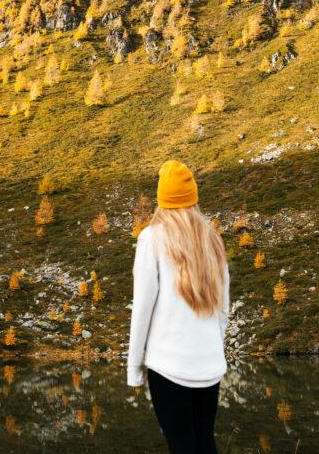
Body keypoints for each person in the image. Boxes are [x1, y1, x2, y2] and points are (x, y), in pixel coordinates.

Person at [127, 159, 230, 454]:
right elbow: (223, 308)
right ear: (192, 196)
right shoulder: (211, 238)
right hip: (209, 366)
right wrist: (213, 349)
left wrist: (134, 367)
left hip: (169, 366)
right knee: (204, 441)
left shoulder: (152, 238)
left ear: (162, 199)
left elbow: (142, 309)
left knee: (181, 445)